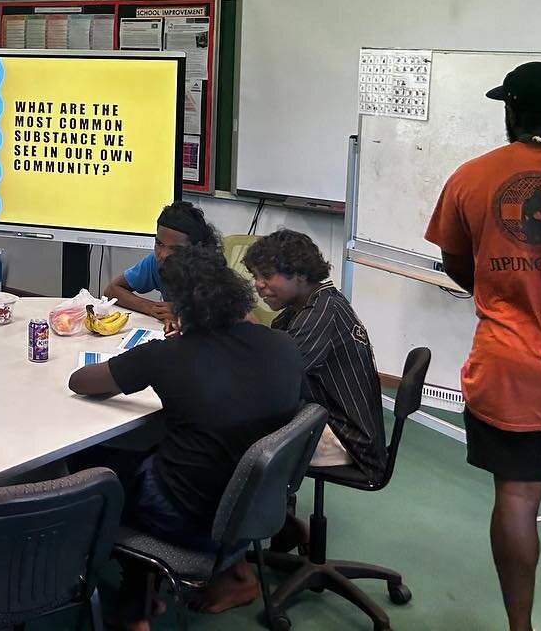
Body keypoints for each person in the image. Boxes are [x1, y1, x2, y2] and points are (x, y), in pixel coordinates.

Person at [426, 61, 541, 631]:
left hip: (510, 371)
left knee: (516, 495)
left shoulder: (472, 177)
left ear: (511, 112)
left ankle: (520, 628)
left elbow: (460, 265)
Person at [71, 246, 304, 628]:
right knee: (165, 453)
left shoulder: (169, 354)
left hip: (189, 516)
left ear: (179, 309)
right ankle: (153, 593)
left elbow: (81, 382)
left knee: (94, 467)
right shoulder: (282, 344)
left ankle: (134, 609)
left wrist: (169, 343)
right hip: (253, 508)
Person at [246, 229, 387, 480]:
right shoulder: (314, 303)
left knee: (240, 438)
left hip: (351, 443)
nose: (258, 285)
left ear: (299, 274)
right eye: (255, 276)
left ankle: (272, 514)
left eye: (266, 276)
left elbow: (274, 377)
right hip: (339, 423)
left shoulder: (321, 315)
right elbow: (274, 349)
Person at [103, 201, 220, 332]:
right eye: (159, 243)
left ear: (196, 249)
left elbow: (222, 318)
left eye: (175, 248)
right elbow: (112, 290)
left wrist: (184, 313)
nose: (163, 254)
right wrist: (153, 308)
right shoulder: (155, 262)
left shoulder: (210, 271)